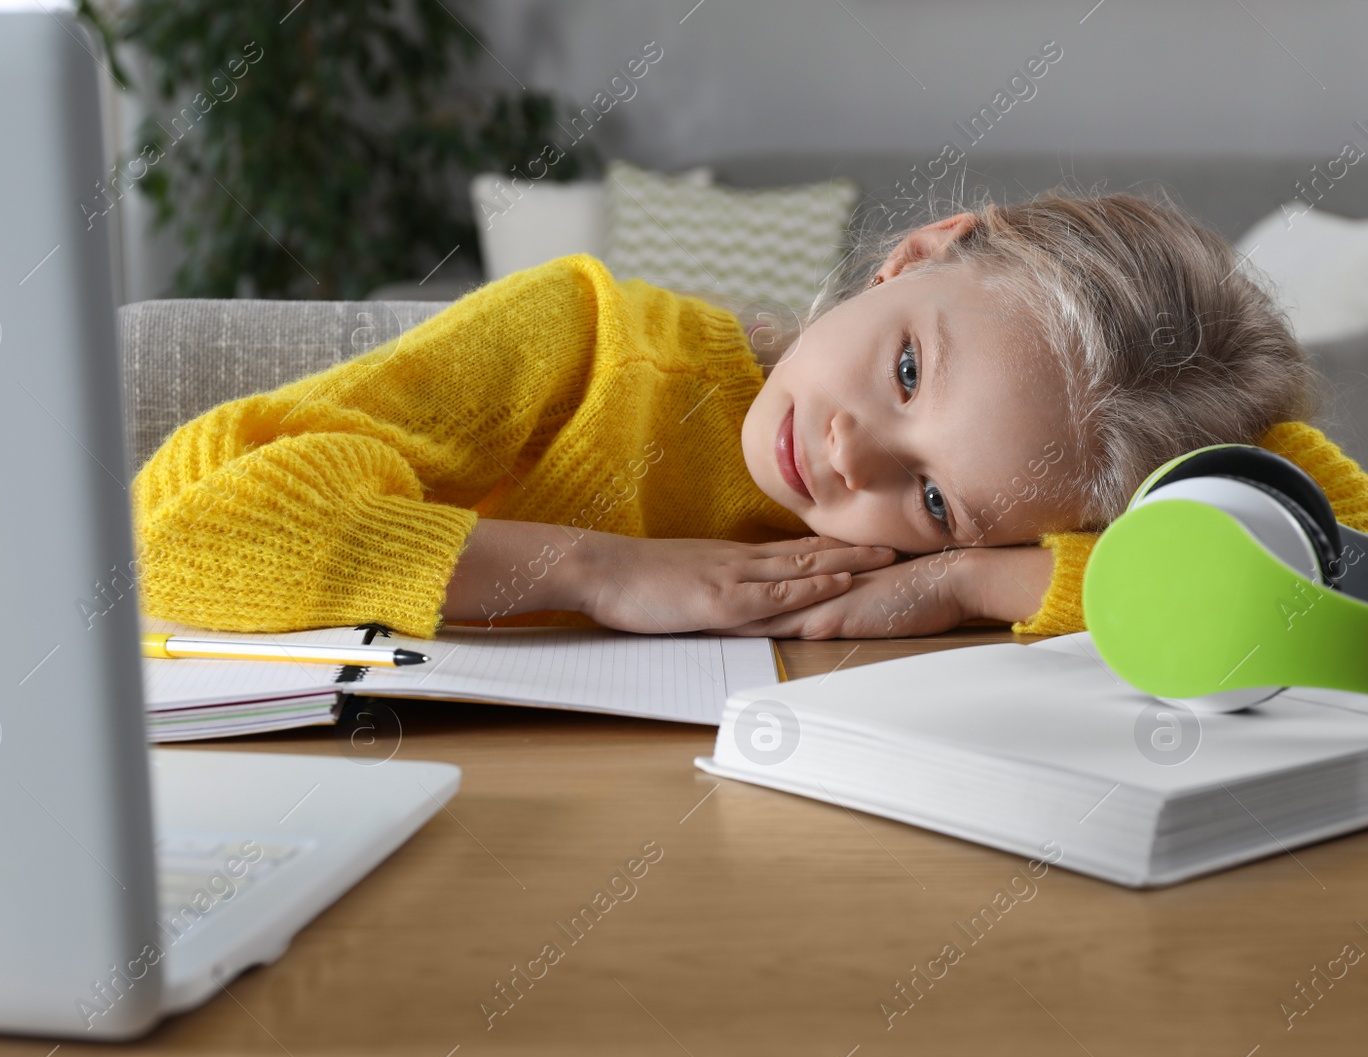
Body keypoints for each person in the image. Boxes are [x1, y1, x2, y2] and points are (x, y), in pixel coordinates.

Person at [129, 188, 1368, 640]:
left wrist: (974, 584)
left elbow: (1332, 572)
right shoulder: (584, 339)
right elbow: (175, 526)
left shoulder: (1022, 510)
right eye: (903, 375)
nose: (848, 461)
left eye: (932, 497)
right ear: (919, 252)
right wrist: (599, 573)